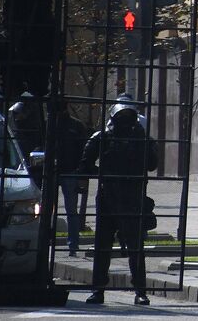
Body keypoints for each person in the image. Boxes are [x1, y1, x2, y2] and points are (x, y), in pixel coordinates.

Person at [80, 101, 157, 306]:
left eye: (128, 118)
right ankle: (98, 289)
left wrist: (142, 144)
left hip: (132, 196)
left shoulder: (141, 139)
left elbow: (152, 164)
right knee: (103, 246)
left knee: (135, 247)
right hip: (108, 196)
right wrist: (105, 174)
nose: (124, 123)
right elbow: (85, 164)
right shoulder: (102, 137)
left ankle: (140, 289)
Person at [52, 99, 88, 255]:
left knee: (71, 211)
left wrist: (82, 173)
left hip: (70, 171)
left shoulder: (75, 126)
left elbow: (83, 151)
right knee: (46, 210)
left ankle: (73, 245)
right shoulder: (49, 125)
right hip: (52, 172)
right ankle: (50, 241)